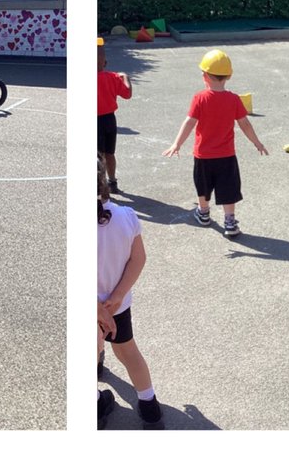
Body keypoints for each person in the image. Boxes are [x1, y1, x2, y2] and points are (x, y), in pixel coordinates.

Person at [162, 48, 268, 238]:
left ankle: (203, 214)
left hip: (203, 156)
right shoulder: (234, 99)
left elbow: (189, 123)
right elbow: (245, 124)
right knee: (228, 188)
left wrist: (176, 144)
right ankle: (230, 221)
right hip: (226, 156)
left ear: (205, 76)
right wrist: (257, 142)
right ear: (228, 76)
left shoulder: (200, 98)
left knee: (203, 186)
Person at [98, 157, 164, 429]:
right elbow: (138, 259)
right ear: (104, 182)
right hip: (118, 307)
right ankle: (149, 406)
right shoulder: (126, 217)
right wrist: (116, 297)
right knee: (128, 352)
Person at [97, 37, 132, 192]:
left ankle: (100, 184)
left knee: (98, 156)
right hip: (110, 120)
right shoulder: (112, 77)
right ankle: (112, 181)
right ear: (105, 63)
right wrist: (126, 77)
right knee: (110, 153)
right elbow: (127, 94)